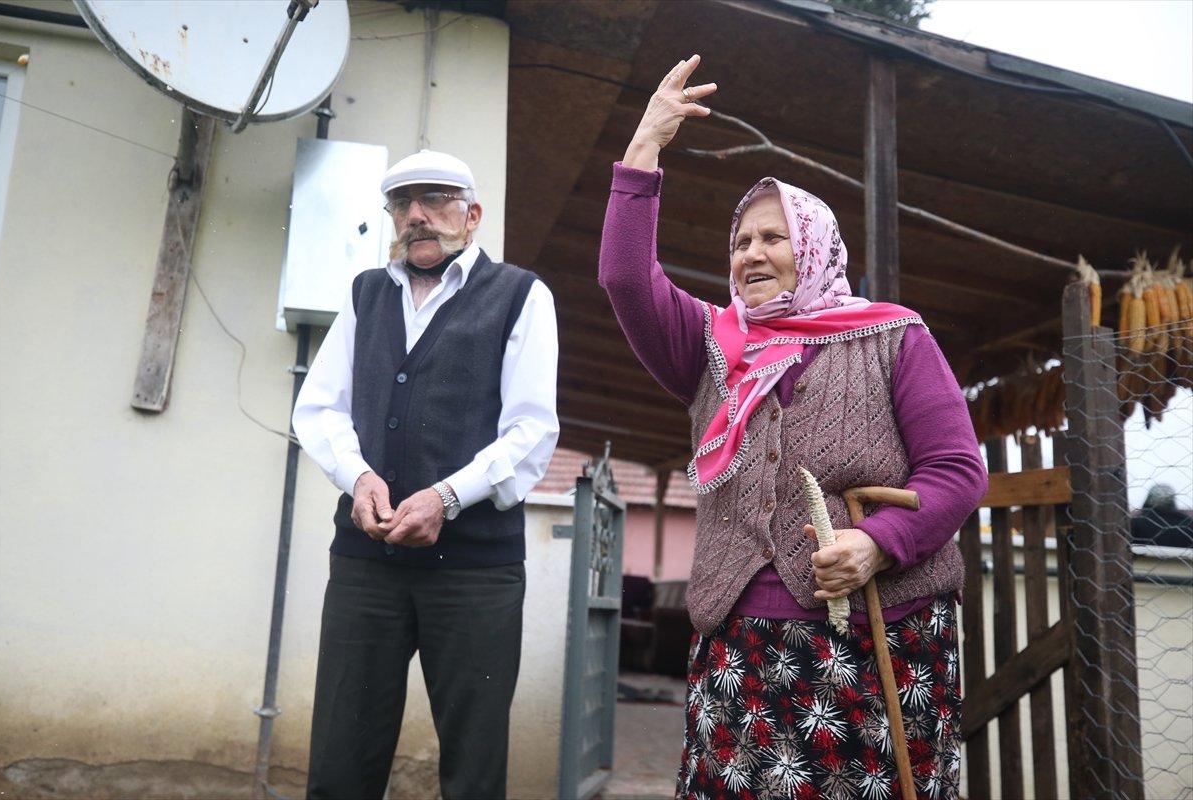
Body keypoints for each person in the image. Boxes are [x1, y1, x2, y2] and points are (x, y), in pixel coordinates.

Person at [599, 56, 987, 799]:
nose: (751, 254)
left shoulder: (893, 336)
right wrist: (645, 144)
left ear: (812, 244)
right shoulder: (711, 345)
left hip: (878, 641)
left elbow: (957, 472)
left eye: (772, 238)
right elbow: (624, 277)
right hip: (740, 651)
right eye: (740, 242)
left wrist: (878, 544)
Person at [292, 149, 559, 799]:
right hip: (366, 561)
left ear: (472, 216)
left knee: (472, 766)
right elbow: (320, 407)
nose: (417, 215)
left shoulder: (521, 295)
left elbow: (531, 429)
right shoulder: (366, 294)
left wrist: (446, 496)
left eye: (435, 200)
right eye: (402, 203)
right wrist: (358, 478)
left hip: (475, 572)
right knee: (340, 760)